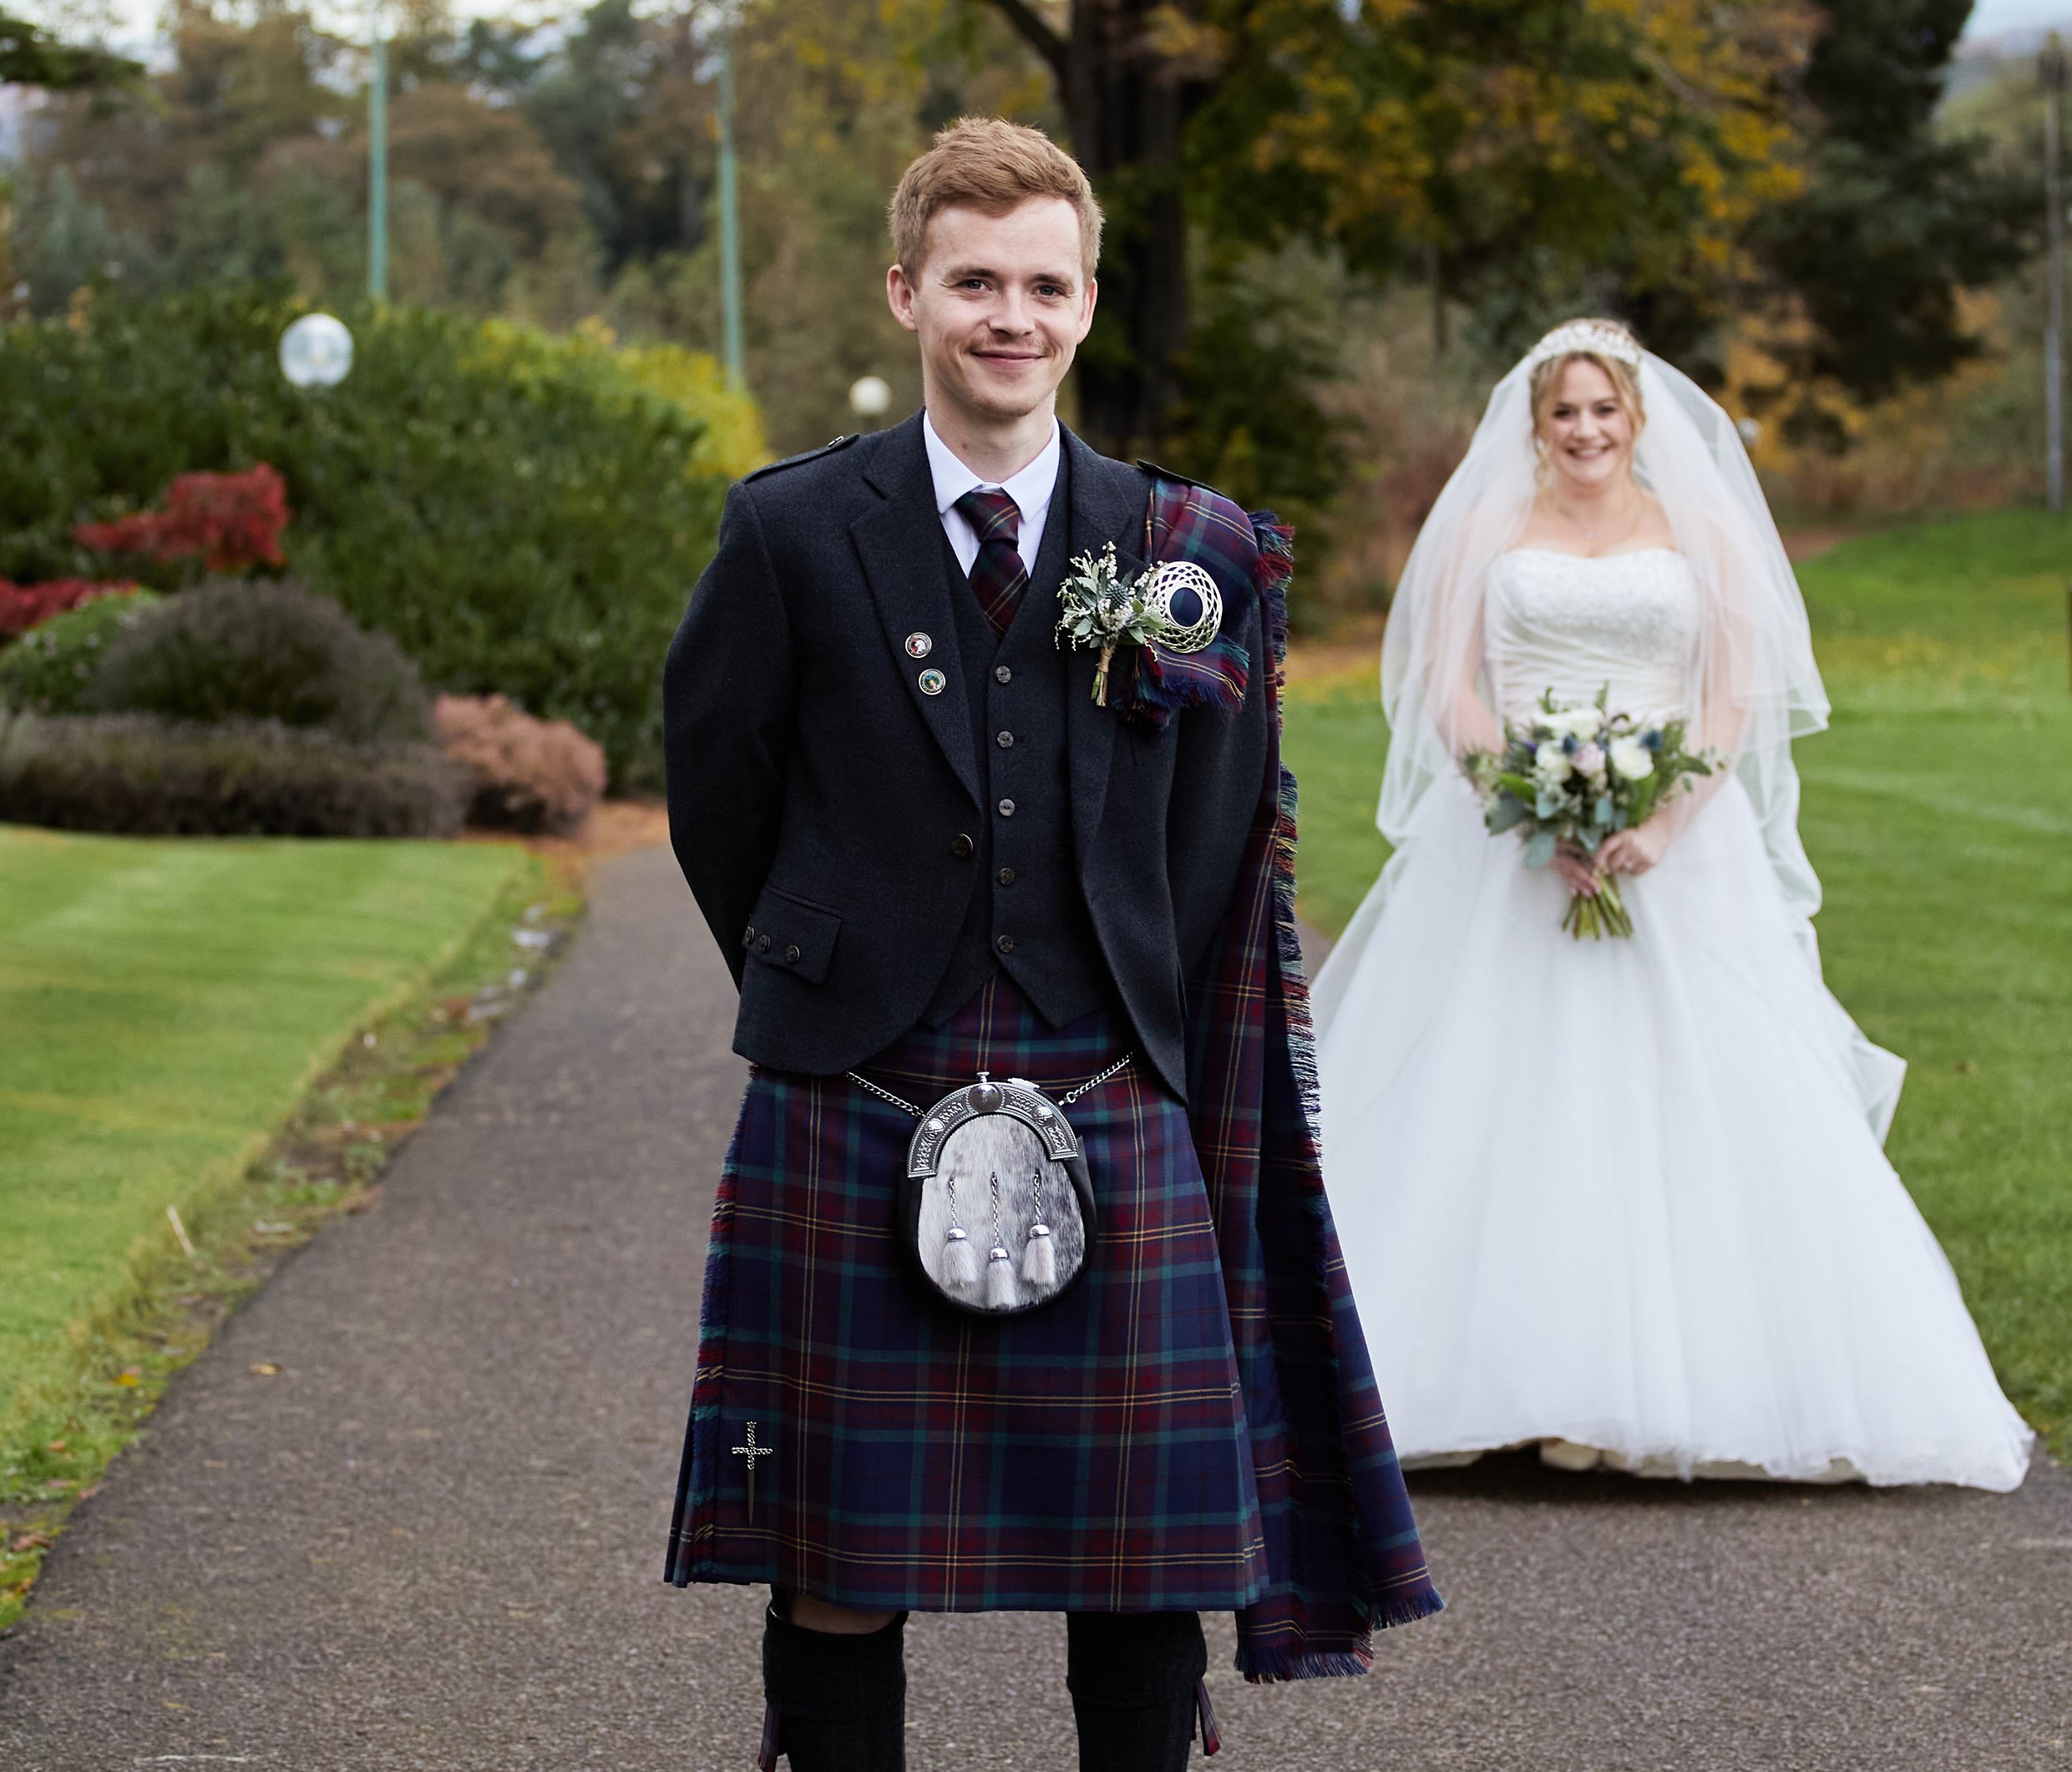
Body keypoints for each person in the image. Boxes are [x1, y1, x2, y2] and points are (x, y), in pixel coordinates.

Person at [661, 118, 1440, 1772]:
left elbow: (1219, 832)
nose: (1005, 314)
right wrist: (826, 971)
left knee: (1139, 1555)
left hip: (1109, 1076)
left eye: (1041, 283)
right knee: (840, 1557)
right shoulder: (792, 530)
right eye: (971, 281)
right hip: (854, 1083)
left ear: (1084, 305)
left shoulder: (1183, 551)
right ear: (904, 292)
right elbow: (716, 789)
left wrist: (1129, 1006)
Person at [1311, 316, 2034, 1491]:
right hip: (1509, 845)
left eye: (1604, 410)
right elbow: (1448, 683)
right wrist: (1530, 804)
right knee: (1496, 1092)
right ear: (1535, 425)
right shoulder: (1492, 525)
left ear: (1636, 418)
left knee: (1700, 1089)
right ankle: (1488, 1379)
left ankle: (1684, 1384)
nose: (1585, 431)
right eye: (1565, 413)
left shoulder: (1695, 529)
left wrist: (1652, 823)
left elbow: (1729, 694)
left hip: (1674, 846)